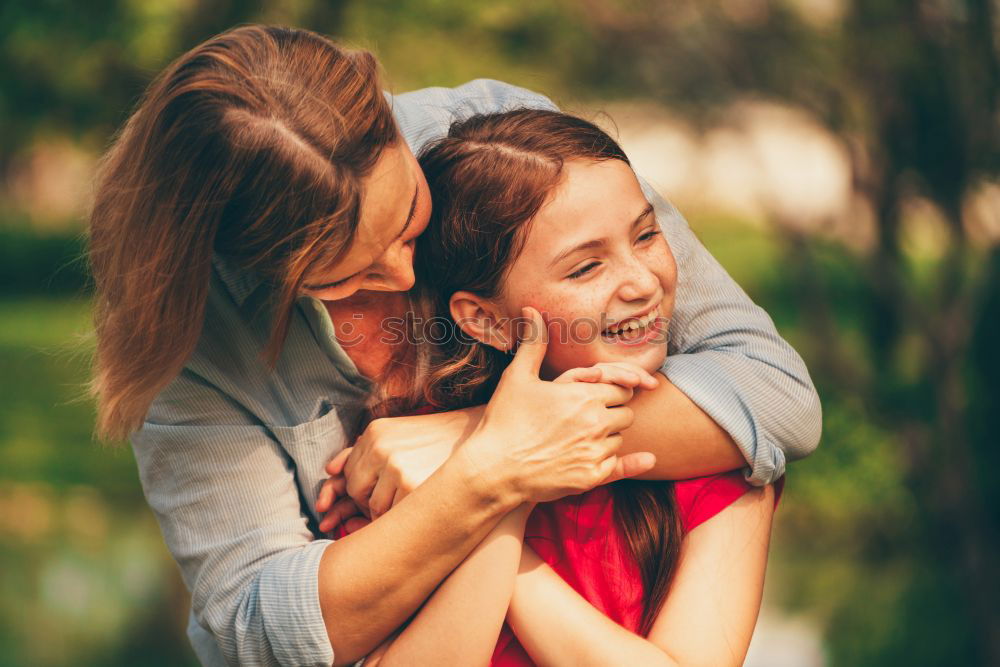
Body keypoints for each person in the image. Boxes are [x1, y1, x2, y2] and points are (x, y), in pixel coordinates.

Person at [87, 25, 820, 666]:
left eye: (408, 219)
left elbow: (770, 391)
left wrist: (486, 441)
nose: (405, 274)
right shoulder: (199, 344)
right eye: (348, 273)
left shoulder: (505, 147)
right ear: (260, 264)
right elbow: (261, 627)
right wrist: (485, 484)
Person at [317, 109, 779, 666]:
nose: (642, 281)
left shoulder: (712, 454)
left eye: (647, 234)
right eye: (585, 269)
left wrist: (503, 510)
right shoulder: (403, 466)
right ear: (485, 320)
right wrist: (496, 478)